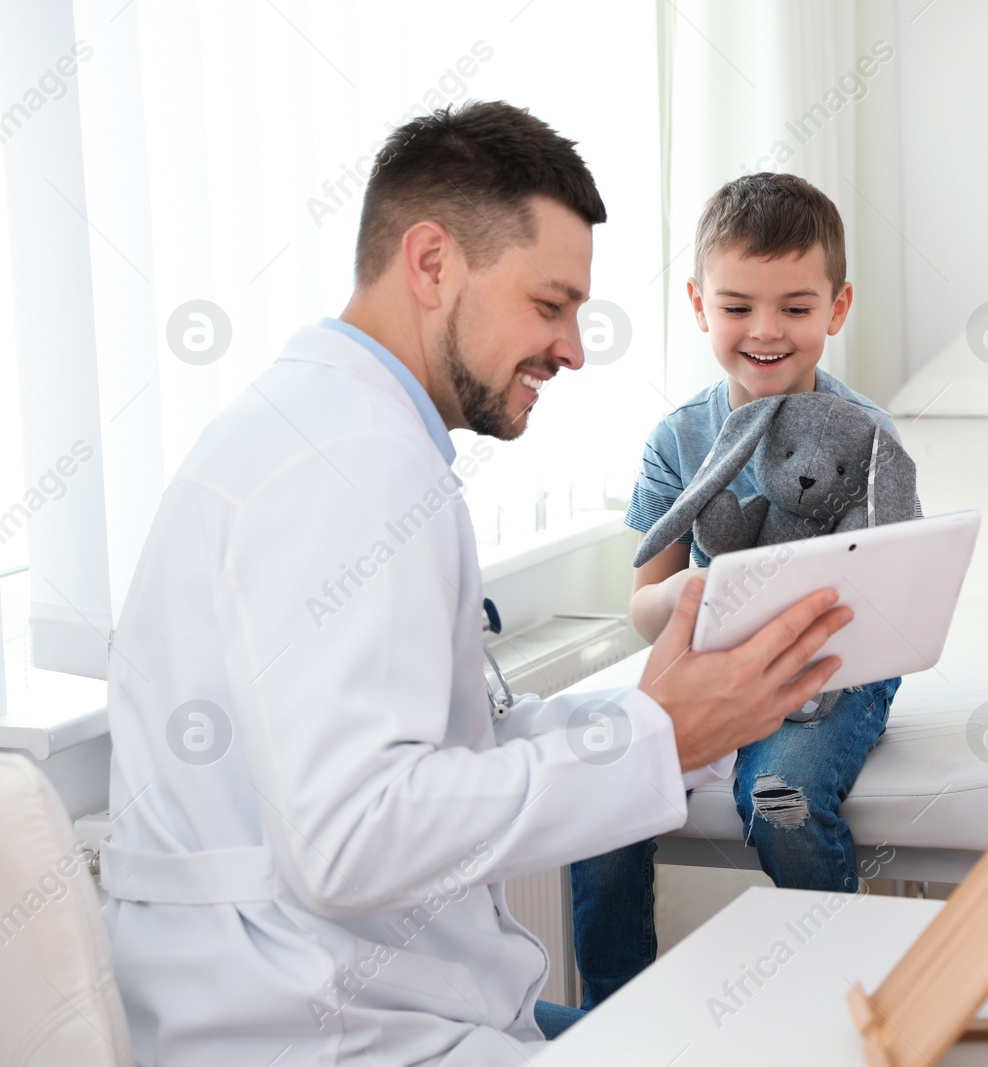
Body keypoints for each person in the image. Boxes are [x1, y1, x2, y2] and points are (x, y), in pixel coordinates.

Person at [99, 103, 852, 1066]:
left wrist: (662, 715)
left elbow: (437, 756)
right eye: (550, 305)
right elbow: (352, 838)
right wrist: (654, 737)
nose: (574, 347)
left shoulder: (330, 429)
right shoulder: (352, 465)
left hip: (351, 1000)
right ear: (431, 264)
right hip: (318, 1030)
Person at [570, 173, 918, 1007]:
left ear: (837, 309)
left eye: (796, 309)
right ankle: (619, 1014)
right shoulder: (679, 437)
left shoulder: (867, 436)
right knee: (597, 792)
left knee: (781, 796)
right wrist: (702, 589)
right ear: (697, 304)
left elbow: (900, 591)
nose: (765, 332)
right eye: (737, 308)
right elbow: (643, 604)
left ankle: (840, 1008)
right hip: (705, 660)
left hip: (828, 672)